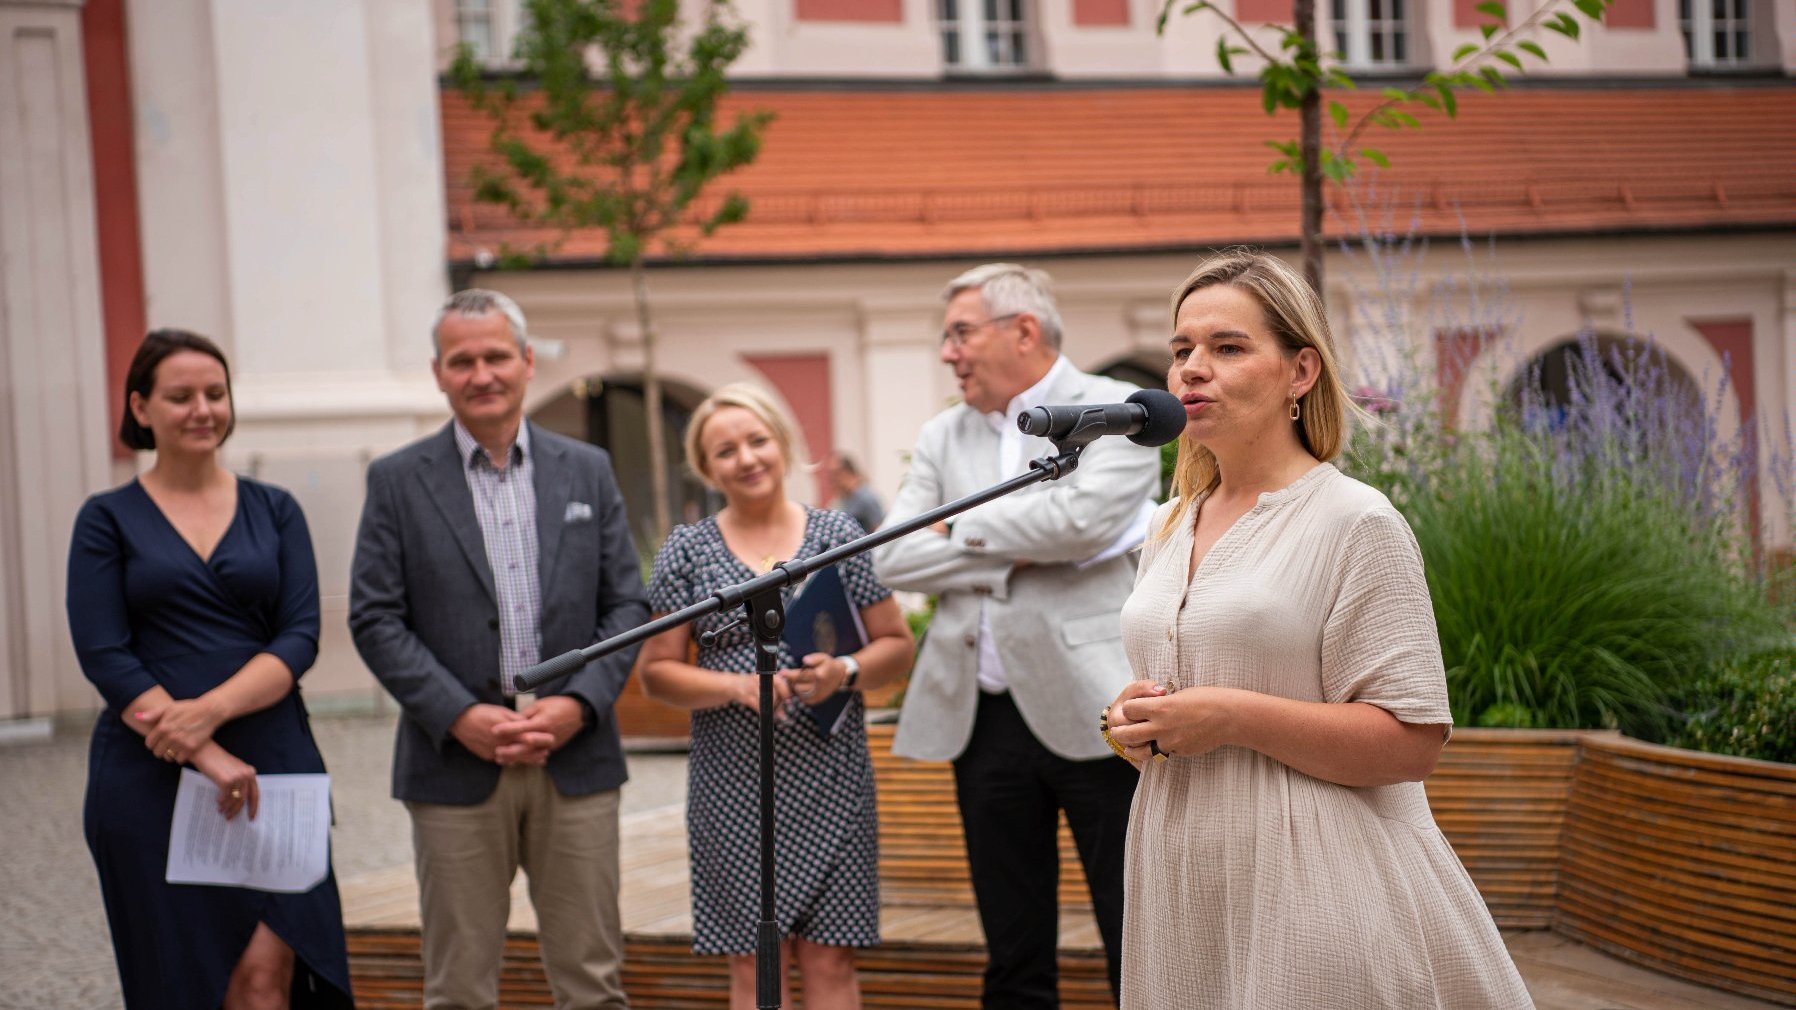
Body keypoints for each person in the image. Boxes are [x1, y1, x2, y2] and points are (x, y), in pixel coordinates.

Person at [1104, 250, 1533, 1008]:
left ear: (1301, 372)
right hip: (1184, 876)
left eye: (1227, 348)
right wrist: (1135, 723)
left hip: (1317, 880)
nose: (1191, 370)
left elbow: (1412, 741)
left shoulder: (1355, 521)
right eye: (1181, 351)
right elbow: (1188, 708)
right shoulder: (1169, 525)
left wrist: (1229, 714)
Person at [348, 289, 649, 1010]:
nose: (480, 373)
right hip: (454, 765)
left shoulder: (588, 469)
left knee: (593, 984)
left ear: (524, 360)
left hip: (574, 758)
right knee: (457, 989)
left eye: (493, 356)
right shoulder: (397, 481)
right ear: (438, 373)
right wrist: (459, 715)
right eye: (462, 361)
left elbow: (627, 607)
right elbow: (376, 618)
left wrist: (579, 704)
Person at [870, 264, 1160, 1009]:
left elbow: (1084, 523)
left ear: (1022, 331)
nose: (947, 353)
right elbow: (894, 554)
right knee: (1011, 946)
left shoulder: (1115, 410)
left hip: (1099, 707)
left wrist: (960, 530)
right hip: (982, 715)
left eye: (960, 333)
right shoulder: (944, 431)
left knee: (1136, 930)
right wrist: (1017, 551)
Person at [66, 329, 354, 1009]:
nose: (203, 409)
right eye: (180, 396)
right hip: (148, 772)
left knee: (266, 978)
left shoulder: (277, 509)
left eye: (215, 394)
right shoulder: (104, 519)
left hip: (273, 764)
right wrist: (198, 749)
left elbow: (298, 638)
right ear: (141, 408)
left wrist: (208, 716)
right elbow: (105, 654)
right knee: (187, 983)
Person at [636, 382, 915, 1010]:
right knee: (753, 966)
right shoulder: (686, 549)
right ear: (708, 468)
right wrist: (739, 686)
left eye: (757, 440)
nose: (747, 458)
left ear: (782, 445)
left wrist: (842, 670)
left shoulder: (839, 534)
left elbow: (896, 647)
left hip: (832, 776)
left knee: (832, 956)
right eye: (726, 450)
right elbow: (657, 672)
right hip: (733, 783)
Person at [824, 451, 885, 533]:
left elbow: (879, 530)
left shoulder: (866, 498)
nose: (832, 480)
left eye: (835, 474)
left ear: (846, 473)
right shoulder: (841, 500)